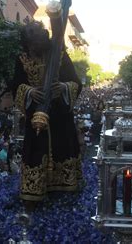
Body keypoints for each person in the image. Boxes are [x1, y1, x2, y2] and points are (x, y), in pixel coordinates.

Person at [12, 21, 82, 203]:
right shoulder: (21, 59)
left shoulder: (58, 54)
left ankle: (65, 189)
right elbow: (16, 85)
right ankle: (34, 191)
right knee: (36, 151)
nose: (34, 48)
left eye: (36, 44)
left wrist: (64, 87)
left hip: (60, 116)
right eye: (30, 45)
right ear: (27, 43)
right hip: (36, 115)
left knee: (63, 148)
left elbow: (75, 81)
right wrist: (29, 91)